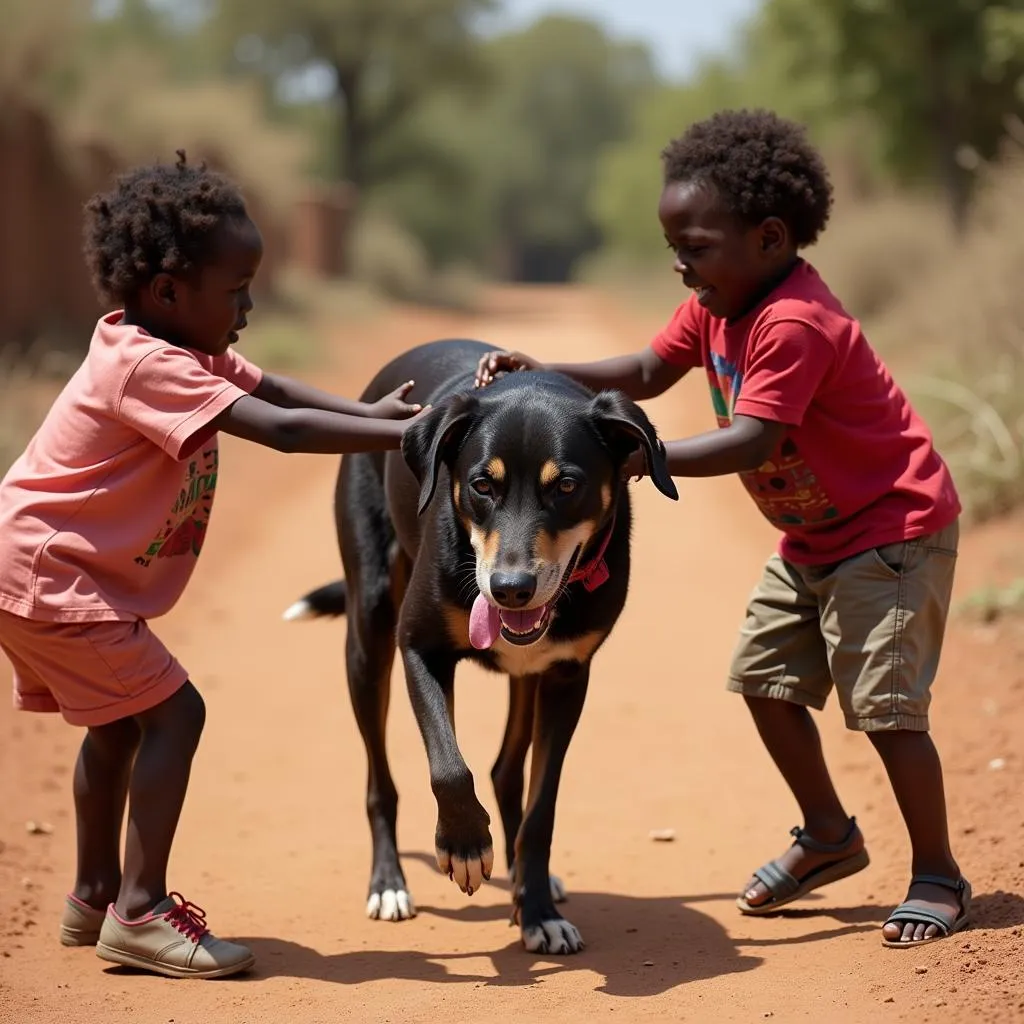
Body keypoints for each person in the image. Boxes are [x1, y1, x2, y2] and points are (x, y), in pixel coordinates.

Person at [473, 109, 969, 949]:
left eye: (696, 245)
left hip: (890, 531)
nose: (680, 263)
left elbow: (754, 438)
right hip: (813, 539)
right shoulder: (716, 306)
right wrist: (547, 368)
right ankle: (828, 836)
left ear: (769, 238)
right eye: (674, 245)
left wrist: (639, 457)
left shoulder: (793, 322)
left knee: (885, 710)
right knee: (764, 683)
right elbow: (643, 370)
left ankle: (937, 874)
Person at [0, 151, 428, 979]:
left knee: (118, 722)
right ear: (167, 292)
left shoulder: (172, 343)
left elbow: (282, 392)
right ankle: (141, 911)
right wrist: (407, 437)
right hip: (52, 576)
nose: (249, 304)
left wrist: (371, 411)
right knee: (175, 714)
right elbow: (283, 431)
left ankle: (95, 893)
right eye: (235, 290)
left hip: (37, 571)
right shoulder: (146, 364)